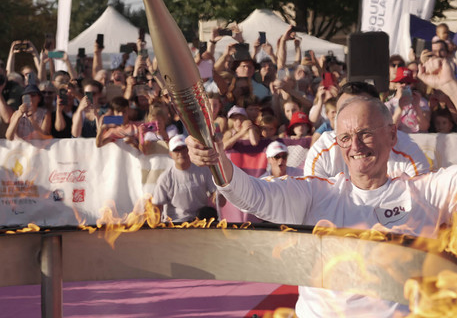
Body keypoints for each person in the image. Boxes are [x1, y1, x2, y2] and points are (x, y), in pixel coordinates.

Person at [185, 61, 457, 317]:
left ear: (392, 134)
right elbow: (253, 196)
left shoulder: (426, 192)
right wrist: (218, 161)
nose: (356, 147)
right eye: (346, 138)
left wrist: (450, 86)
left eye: (365, 133)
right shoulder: (317, 194)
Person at [303, 81, 430, 178]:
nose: (356, 146)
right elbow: (315, 203)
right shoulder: (322, 151)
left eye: (361, 110)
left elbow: (422, 203)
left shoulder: (407, 150)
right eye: (343, 110)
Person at [152, 135, 217, 223]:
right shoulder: (165, 178)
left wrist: (217, 197)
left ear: (189, 150)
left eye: (183, 148)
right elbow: (157, 205)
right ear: (171, 154)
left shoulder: (203, 169)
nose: (181, 153)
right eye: (176, 150)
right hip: (176, 224)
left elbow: (215, 193)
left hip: (200, 223)